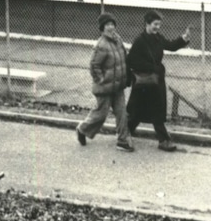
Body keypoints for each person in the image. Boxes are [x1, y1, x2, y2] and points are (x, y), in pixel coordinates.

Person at [125, 11, 191, 152]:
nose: (157, 27)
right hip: (144, 82)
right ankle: (127, 134)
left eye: (159, 25)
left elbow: (171, 46)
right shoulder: (140, 41)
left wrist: (183, 39)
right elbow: (131, 61)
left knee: (155, 111)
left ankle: (162, 140)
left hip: (155, 82)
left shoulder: (158, 38)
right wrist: (152, 67)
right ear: (147, 23)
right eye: (155, 24)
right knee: (137, 113)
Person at [76, 14, 132, 151]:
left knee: (122, 113)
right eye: (107, 25)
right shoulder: (101, 45)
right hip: (105, 87)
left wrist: (126, 76)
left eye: (112, 24)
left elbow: (124, 58)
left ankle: (122, 141)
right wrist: (102, 80)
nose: (111, 27)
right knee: (100, 115)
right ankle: (82, 129)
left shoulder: (118, 40)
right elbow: (94, 66)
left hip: (118, 86)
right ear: (102, 28)